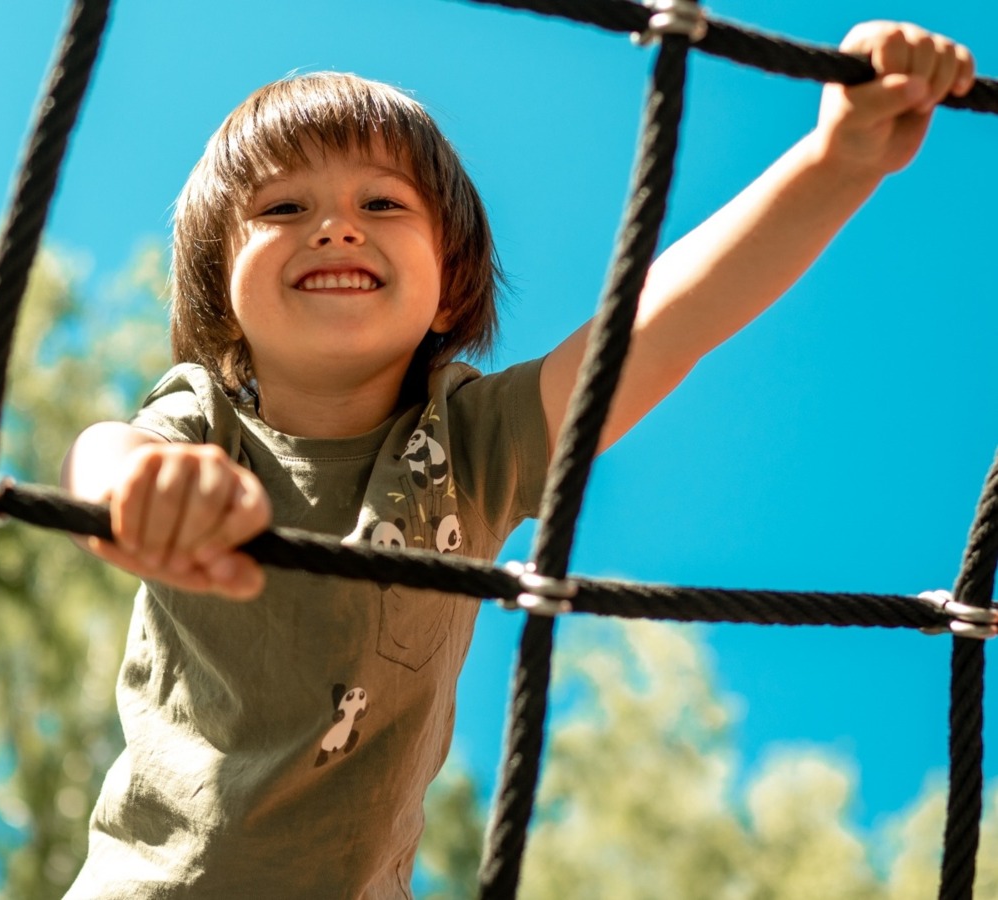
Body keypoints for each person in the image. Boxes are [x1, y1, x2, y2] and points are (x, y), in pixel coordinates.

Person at [61, 21, 974, 899]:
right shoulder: (208, 418)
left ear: (450, 278)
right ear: (221, 282)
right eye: (282, 208)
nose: (336, 226)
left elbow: (666, 325)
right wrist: (136, 489)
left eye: (381, 203)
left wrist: (837, 161)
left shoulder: (469, 446)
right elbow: (107, 451)